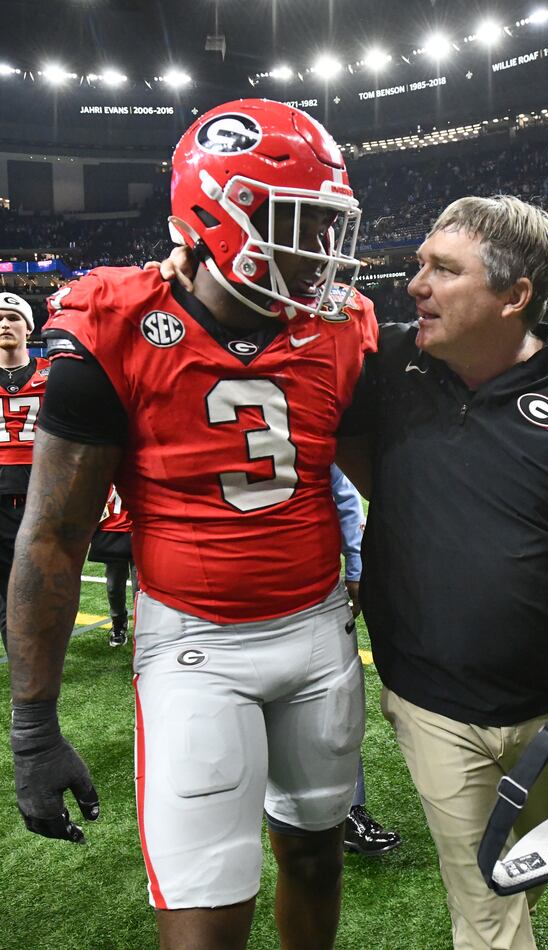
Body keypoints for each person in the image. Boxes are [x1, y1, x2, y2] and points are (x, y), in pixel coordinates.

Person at [7, 100, 377, 950]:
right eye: (303, 224)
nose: (323, 251)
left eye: (329, 226)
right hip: (195, 646)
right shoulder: (115, 324)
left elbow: (389, 485)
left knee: (318, 863)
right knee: (208, 922)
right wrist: (33, 722)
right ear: (222, 215)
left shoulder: (340, 328)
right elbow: (54, 536)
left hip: (319, 632)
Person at [338, 196, 548, 950]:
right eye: (419, 264)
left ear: (514, 295)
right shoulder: (388, 362)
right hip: (433, 700)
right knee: (489, 908)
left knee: (525, 872)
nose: (415, 284)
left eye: (443, 269)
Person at [330, 464, 402, 857]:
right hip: (208, 608)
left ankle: (349, 812)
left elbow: (343, 494)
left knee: (339, 708)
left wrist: (357, 568)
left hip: (310, 594)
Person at [0, 292, 47, 653]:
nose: (4, 324)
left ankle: (33, 656)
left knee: (36, 583)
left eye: (13, 317)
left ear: (28, 328)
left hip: (40, 487)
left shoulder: (54, 372)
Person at [88, 485, 138, 648]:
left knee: (141, 589)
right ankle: (119, 625)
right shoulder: (106, 467)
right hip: (113, 531)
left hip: (141, 530)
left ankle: (143, 628)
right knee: (113, 586)